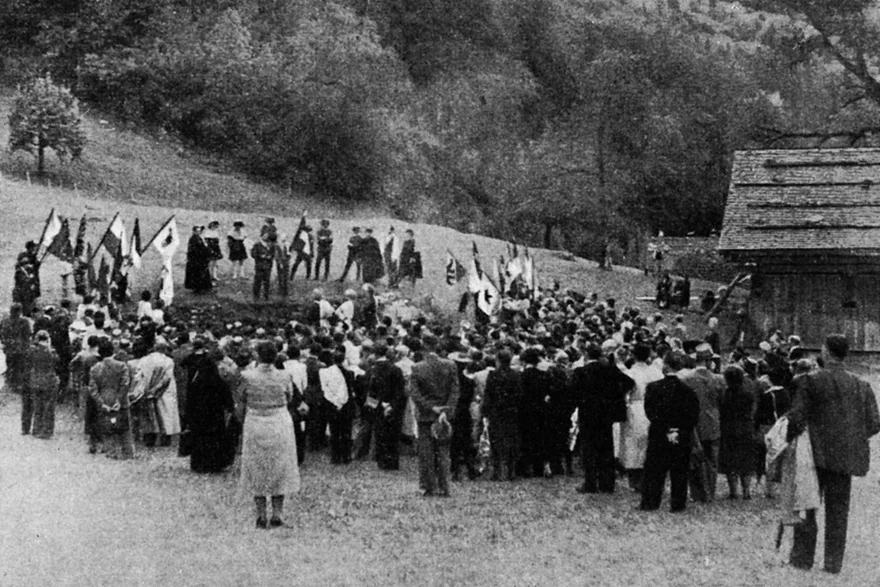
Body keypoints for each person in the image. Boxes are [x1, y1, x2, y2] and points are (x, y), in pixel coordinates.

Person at [786, 334, 880, 574]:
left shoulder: (810, 381)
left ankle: (802, 559)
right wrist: (851, 437)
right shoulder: (862, 385)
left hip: (813, 455)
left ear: (826, 352)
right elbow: (874, 422)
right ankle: (832, 563)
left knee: (808, 505)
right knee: (838, 512)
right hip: (844, 458)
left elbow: (797, 417)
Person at [239, 340, 301, 529]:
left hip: (256, 420)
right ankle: (277, 513)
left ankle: (260, 514)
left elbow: (241, 399)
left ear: (257, 355)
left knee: (256, 465)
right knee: (279, 465)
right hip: (279, 421)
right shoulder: (285, 376)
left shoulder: (247, 376)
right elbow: (289, 397)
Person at [640, 351, 699, 512]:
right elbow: (693, 416)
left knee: (654, 470)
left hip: (659, 433)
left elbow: (650, 412)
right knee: (679, 471)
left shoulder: (653, 388)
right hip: (681, 434)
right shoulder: (688, 391)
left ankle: (650, 502)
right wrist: (678, 429)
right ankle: (678, 503)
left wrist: (665, 428)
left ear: (665, 366)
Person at [573, 345, 631, 494]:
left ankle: (590, 483)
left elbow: (572, 392)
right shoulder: (609, 369)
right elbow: (628, 382)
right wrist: (615, 397)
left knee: (588, 449)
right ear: (600, 356)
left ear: (586, 355)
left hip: (587, 414)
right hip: (605, 414)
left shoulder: (580, 372)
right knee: (606, 449)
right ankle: (607, 483)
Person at [410, 334, 460, 497]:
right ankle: (444, 486)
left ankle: (428, 486)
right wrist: (446, 410)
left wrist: (432, 408)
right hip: (444, 416)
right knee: (444, 453)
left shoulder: (417, 367)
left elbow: (415, 394)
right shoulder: (450, 365)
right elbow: (455, 391)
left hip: (426, 416)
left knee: (426, 453)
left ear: (424, 347)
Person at [680, 342, 725, 503]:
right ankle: (710, 493)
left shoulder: (687, 379)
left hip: (694, 423)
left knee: (694, 458)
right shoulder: (718, 380)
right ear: (708, 361)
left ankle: (697, 493)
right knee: (712, 460)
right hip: (713, 422)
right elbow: (722, 401)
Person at [184, 343, 235, 473]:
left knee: (200, 438)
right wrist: (229, 408)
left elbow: (190, 399)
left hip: (199, 415)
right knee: (215, 438)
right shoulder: (218, 382)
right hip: (215, 415)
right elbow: (227, 398)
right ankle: (215, 463)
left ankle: (199, 463)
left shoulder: (196, 382)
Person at [620, 344, 663, 492]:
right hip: (653, 409)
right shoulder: (655, 372)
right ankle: (648, 477)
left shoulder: (630, 373)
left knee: (634, 443)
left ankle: (635, 480)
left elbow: (624, 393)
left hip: (636, 408)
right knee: (648, 443)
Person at [89, 340, 134, 459]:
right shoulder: (121, 366)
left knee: (107, 429)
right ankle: (128, 453)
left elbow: (93, 389)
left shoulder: (95, 368)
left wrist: (101, 402)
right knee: (125, 428)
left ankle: (111, 452)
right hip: (120, 401)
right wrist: (119, 400)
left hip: (104, 399)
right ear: (113, 351)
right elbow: (125, 384)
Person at [482, 349, 522, 481]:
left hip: (496, 411)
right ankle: (511, 470)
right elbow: (519, 394)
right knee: (511, 440)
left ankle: (498, 471)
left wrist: (485, 411)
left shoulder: (493, 375)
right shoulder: (516, 375)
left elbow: (488, 394)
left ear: (498, 360)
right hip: (512, 411)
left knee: (496, 441)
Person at [134, 340, 181, 448]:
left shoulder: (144, 360)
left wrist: (144, 389)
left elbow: (138, 376)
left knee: (149, 415)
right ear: (164, 349)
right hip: (164, 391)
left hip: (146, 390)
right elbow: (167, 378)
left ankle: (149, 438)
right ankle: (165, 439)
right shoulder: (168, 361)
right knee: (165, 414)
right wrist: (156, 388)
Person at [719, 365, 756, 499]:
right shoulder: (748, 394)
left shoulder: (724, 394)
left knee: (730, 460)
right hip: (745, 428)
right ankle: (746, 491)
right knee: (746, 460)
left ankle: (733, 491)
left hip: (729, 428)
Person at [369, 343, 407, 470]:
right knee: (393, 435)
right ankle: (392, 461)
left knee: (380, 434)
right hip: (393, 407)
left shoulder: (372, 369)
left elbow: (370, 393)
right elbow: (400, 391)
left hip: (379, 406)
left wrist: (378, 405)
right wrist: (392, 406)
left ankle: (382, 461)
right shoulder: (396, 369)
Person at [319, 349, 353, 464]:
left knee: (334, 431)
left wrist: (334, 401)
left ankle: (335, 456)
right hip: (346, 405)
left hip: (331, 404)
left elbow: (325, 389)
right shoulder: (349, 373)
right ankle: (346, 456)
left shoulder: (326, 372)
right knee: (346, 431)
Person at [24, 330, 60, 439]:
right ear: (48, 339)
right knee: (48, 407)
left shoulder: (32, 351)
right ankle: (46, 431)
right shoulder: (51, 352)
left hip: (35, 380)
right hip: (49, 381)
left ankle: (36, 429)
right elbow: (57, 363)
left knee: (37, 406)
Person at [0, 303, 32, 395]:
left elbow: (1, 334)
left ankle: (11, 384)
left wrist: (5, 342)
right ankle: (17, 385)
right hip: (21, 349)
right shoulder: (24, 321)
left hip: (9, 348)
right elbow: (28, 334)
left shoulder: (5, 321)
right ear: (19, 311)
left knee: (11, 366)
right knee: (20, 366)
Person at [13, 242, 40, 316]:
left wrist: (36, 263)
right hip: (25, 280)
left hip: (33, 276)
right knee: (26, 294)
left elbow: (36, 266)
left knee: (33, 291)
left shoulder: (33, 255)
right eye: (33, 247)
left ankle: (33, 305)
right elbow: (19, 265)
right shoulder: (23, 255)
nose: (34, 248)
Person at [184, 226, 213, 294]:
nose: (198, 232)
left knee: (202, 274)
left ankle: (203, 288)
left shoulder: (198, 238)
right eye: (197, 231)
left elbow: (202, 247)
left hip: (200, 259)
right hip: (196, 260)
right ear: (193, 231)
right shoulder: (193, 239)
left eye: (199, 231)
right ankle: (198, 289)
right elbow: (196, 250)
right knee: (197, 274)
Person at [250, 231, 275, 302]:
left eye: (267, 236)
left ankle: (266, 296)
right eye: (264, 235)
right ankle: (256, 296)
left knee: (267, 282)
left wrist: (270, 257)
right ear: (261, 236)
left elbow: (273, 254)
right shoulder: (257, 245)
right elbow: (253, 254)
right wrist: (260, 256)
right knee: (258, 281)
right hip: (260, 266)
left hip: (268, 266)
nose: (266, 237)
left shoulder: (271, 245)